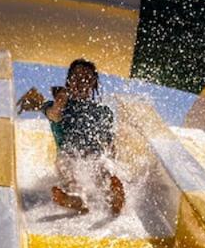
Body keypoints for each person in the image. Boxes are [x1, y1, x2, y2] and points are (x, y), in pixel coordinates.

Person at [18, 59, 125, 215]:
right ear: (69, 81)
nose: (81, 81)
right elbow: (53, 115)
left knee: (103, 165)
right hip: (68, 154)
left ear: (93, 83)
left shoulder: (103, 111)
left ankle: (113, 196)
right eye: (77, 77)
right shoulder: (57, 106)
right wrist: (60, 102)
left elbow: (109, 144)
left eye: (87, 78)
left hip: (94, 155)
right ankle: (76, 197)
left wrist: (115, 163)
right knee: (64, 162)